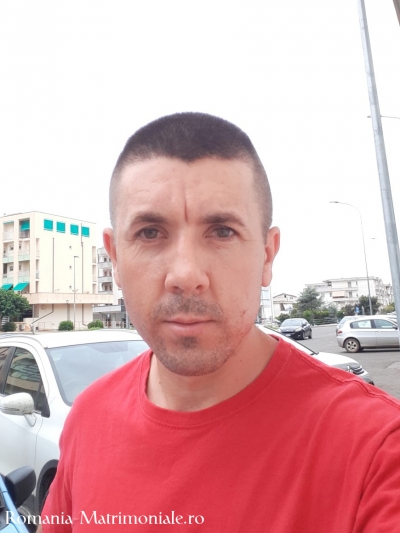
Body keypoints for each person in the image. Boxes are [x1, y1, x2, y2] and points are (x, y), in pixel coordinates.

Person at [39, 113, 400, 532]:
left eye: (222, 231)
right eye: (151, 233)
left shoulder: (376, 451)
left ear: (267, 255)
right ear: (115, 258)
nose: (185, 275)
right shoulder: (88, 418)